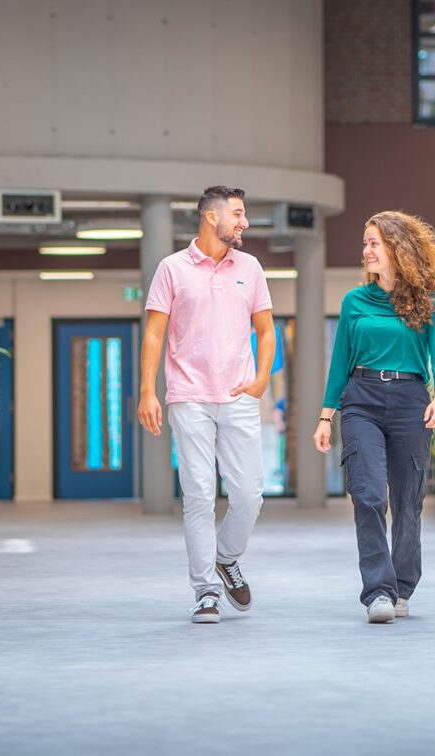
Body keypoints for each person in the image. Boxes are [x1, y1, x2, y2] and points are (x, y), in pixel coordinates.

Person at [139, 186, 276, 624]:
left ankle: (226, 556)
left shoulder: (250, 268)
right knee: (198, 495)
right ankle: (205, 591)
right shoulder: (172, 268)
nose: (244, 222)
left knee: (249, 495)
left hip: (238, 395)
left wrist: (261, 379)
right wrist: (147, 391)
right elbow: (154, 333)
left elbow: (266, 330)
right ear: (211, 217)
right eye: (237, 214)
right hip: (189, 397)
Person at [314, 211, 435, 624]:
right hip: (362, 400)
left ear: (398, 248)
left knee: (408, 501)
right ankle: (378, 591)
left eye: (374, 242)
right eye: (365, 243)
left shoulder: (430, 301)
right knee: (369, 495)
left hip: (411, 401)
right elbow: (340, 361)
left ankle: (403, 585)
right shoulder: (355, 302)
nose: (366, 250)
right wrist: (326, 417)